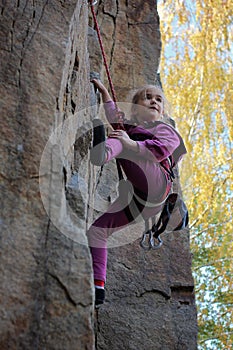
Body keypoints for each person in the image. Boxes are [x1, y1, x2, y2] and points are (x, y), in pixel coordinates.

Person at [87, 79, 187, 307]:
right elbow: (115, 117)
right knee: (98, 231)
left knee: (122, 141)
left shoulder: (166, 130)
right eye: (147, 98)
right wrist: (104, 91)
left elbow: (158, 152)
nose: (153, 101)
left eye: (158, 100)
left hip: (157, 184)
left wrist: (128, 143)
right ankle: (98, 287)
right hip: (139, 201)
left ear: (162, 112)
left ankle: (102, 155)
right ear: (136, 108)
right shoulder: (130, 128)